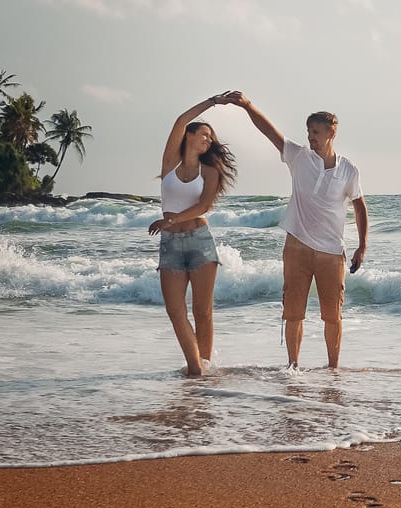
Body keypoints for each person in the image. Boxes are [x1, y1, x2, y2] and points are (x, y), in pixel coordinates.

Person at [227, 94, 367, 368]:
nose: (310, 137)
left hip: (331, 251)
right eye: (308, 132)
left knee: (332, 315)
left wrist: (362, 246)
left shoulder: (348, 169)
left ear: (331, 132)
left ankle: (333, 369)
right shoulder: (298, 156)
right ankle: (293, 366)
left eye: (315, 132)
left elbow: (360, 207)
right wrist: (247, 106)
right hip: (297, 248)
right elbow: (269, 132)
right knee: (293, 313)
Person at [148, 94, 237, 376]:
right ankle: (196, 366)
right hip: (171, 244)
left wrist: (171, 219)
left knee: (203, 312)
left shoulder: (209, 171)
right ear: (188, 136)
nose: (208, 141)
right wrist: (213, 101)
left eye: (211, 138)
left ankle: (202, 369)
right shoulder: (169, 164)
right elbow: (180, 120)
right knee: (175, 311)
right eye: (203, 135)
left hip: (200, 241)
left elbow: (204, 206)